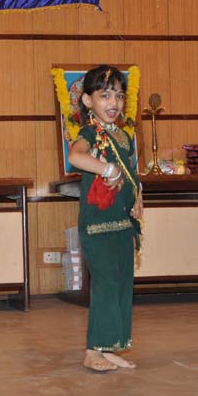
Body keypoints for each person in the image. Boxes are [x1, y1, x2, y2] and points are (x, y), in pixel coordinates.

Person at [67, 65, 143, 373]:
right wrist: (107, 169)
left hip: (123, 222)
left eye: (119, 96)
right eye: (105, 95)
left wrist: (138, 199)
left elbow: (131, 174)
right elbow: (75, 156)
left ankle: (109, 347)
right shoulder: (90, 133)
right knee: (106, 284)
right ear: (88, 101)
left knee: (122, 283)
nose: (114, 103)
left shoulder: (123, 136)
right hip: (98, 223)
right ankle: (92, 350)